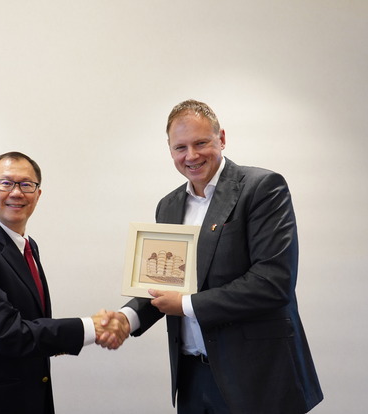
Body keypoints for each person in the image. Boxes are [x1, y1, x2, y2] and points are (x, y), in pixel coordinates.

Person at [99, 99, 323, 414]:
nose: (191, 156)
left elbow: (273, 282)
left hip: (257, 381)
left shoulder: (262, 188)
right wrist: (126, 318)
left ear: (222, 139)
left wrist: (186, 305)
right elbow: (162, 283)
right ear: (170, 151)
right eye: (180, 147)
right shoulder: (168, 206)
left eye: (201, 143)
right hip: (193, 380)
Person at [0, 151, 128, 414]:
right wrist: (91, 328)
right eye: (6, 183)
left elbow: (33, 322)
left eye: (26, 184)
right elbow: (7, 334)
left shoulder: (28, 247)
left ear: (38, 195)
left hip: (32, 399)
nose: (17, 192)